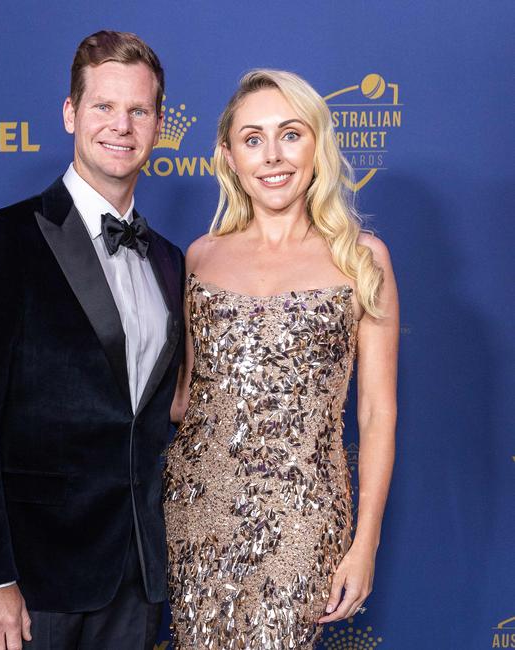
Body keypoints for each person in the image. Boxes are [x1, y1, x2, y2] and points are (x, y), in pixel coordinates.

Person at [0, 30, 184, 650]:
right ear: (71, 113)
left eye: (139, 110)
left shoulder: (171, 263)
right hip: (31, 578)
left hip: (137, 574)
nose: (121, 126)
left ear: (157, 123)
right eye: (103, 106)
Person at [164, 69, 398, 649]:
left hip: (304, 517)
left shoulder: (363, 259)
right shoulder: (200, 257)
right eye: (252, 139)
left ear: (317, 144)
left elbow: (376, 413)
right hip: (196, 511)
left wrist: (364, 542)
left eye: (290, 134)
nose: (272, 156)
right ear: (228, 156)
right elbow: (183, 400)